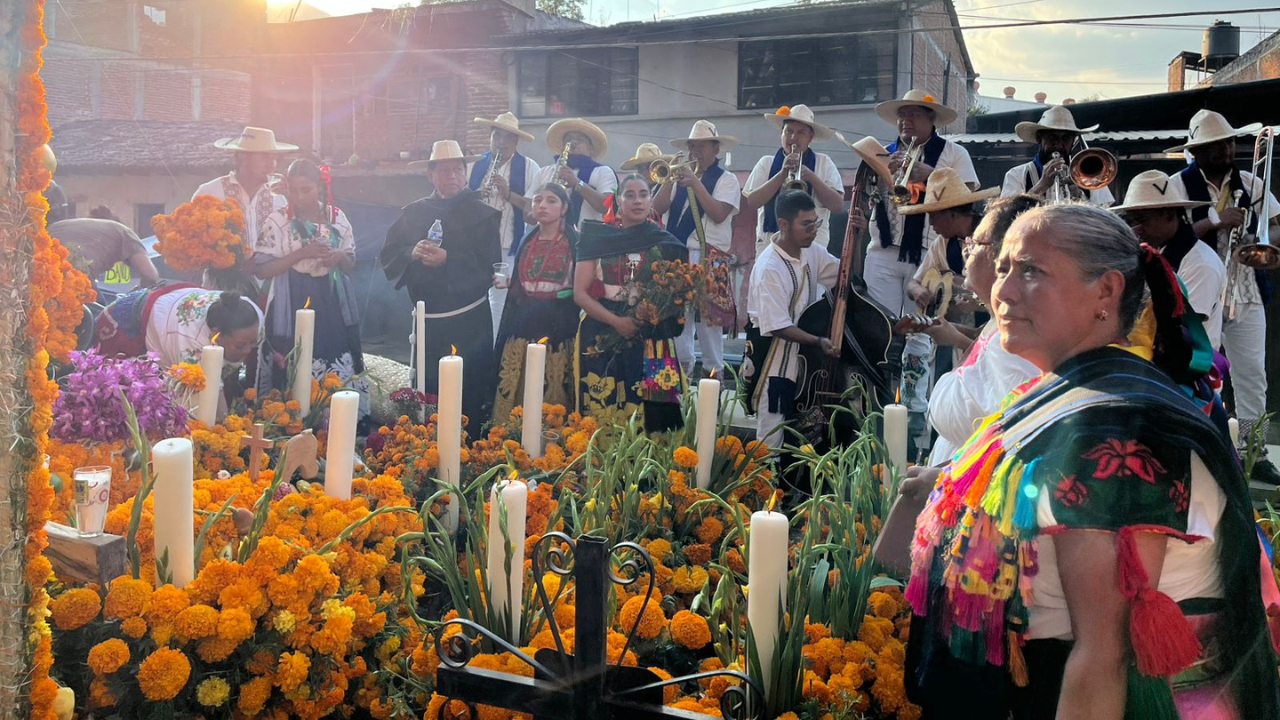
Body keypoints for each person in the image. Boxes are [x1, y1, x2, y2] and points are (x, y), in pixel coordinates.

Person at [905, 204, 1279, 720]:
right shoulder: (1069, 394)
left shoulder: (1118, 428)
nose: (1004, 290)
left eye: (1032, 271)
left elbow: (1104, 655)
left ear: (1106, 292)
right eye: (1006, 265)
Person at [1165, 109, 1279, 482]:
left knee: (1252, 374)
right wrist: (1216, 221)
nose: (1227, 149)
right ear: (1198, 150)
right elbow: (1173, 236)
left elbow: (1276, 229)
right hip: (1200, 289)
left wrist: (1258, 241)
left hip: (1245, 288)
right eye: (1217, 144)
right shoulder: (1177, 186)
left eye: (1229, 142)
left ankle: (1253, 450)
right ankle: (1197, 441)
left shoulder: (1251, 181)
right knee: (1202, 367)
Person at [864, 90, 979, 455]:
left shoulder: (953, 153)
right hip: (884, 248)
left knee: (921, 332)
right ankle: (878, 399)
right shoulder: (884, 150)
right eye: (902, 116)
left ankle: (913, 411)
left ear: (932, 120)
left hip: (928, 249)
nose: (905, 122)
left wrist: (929, 174)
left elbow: (968, 197)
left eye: (913, 116)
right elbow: (872, 198)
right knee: (881, 327)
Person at [911, 194, 1043, 468]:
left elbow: (1007, 443)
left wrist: (942, 477)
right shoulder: (1005, 322)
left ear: (1004, 256)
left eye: (975, 243)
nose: (966, 251)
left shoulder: (1022, 344)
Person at [382, 140, 501, 434]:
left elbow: (491, 266)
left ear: (466, 173)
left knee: (470, 389)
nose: (452, 177)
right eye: (444, 170)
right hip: (430, 321)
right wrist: (413, 252)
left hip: (470, 320)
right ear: (430, 175)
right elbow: (390, 254)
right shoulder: (413, 212)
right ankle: (428, 449)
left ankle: (472, 447)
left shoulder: (482, 213)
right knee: (429, 390)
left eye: (458, 170)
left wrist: (449, 259)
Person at [573, 175, 688, 433]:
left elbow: (676, 296)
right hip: (601, 330)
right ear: (618, 201)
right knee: (604, 405)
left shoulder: (667, 243)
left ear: (651, 200)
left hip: (652, 333)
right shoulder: (596, 238)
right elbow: (580, 293)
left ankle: (653, 468)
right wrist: (618, 322)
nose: (637, 201)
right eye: (630, 195)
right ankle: (604, 468)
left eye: (643, 194)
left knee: (656, 414)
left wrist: (644, 316)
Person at [254, 159, 363, 397]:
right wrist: (301, 254)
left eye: (307, 190)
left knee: (333, 356)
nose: (299, 197)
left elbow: (351, 263)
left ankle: (333, 420)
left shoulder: (337, 217)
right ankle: (289, 419)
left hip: (331, 301)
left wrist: (338, 256)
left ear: (320, 187)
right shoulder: (278, 220)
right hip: (291, 298)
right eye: (293, 190)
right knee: (294, 358)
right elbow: (261, 270)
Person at [746, 190, 840, 448]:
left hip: (804, 365)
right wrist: (819, 340)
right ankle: (765, 487)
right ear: (784, 225)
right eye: (806, 224)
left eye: (815, 223)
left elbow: (843, 277)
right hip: (773, 365)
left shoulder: (813, 252)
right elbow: (778, 326)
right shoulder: (769, 267)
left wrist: (856, 233)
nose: (813, 230)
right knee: (771, 439)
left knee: (802, 437)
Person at [654, 120, 742, 378]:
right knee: (678, 326)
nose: (696, 150)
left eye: (702, 145)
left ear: (716, 148)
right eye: (693, 145)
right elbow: (656, 210)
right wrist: (670, 178)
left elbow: (718, 213)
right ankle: (680, 386)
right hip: (676, 256)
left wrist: (695, 183)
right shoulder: (680, 176)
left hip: (711, 257)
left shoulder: (727, 179)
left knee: (710, 330)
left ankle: (711, 391)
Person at [493, 183, 580, 421]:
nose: (542, 205)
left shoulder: (576, 242)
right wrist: (510, 283)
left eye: (551, 200)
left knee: (555, 389)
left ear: (564, 208)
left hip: (560, 326)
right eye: (537, 200)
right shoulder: (527, 240)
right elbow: (525, 283)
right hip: (525, 323)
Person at [1113, 169, 1225, 348]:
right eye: (1132, 221)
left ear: (1169, 215)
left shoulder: (1201, 264)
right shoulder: (1155, 253)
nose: (1136, 229)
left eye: (1142, 220)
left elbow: (1183, 328)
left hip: (1189, 367)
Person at [898, 168, 999, 360]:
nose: (931, 223)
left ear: (952, 214)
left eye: (934, 216)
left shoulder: (993, 237)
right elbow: (913, 284)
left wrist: (976, 302)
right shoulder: (942, 243)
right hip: (954, 343)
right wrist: (919, 292)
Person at [468, 112, 542, 335]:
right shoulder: (474, 164)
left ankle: (494, 347)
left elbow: (534, 210)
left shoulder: (530, 167)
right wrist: (478, 195)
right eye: (497, 136)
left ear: (516, 141)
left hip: (507, 246)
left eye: (508, 137)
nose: (502, 142)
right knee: (473, 295)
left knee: (498, 299)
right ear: (490, 138)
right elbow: (461, 202)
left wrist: (509, 194)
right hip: (475, 245)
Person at [743, 104, 845, 257]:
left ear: (811, 137)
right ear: (781, 133)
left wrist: (811, 177)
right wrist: (781, 174)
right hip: (770, 245)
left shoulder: (824, 162)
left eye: (801, 133)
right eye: (788, 131)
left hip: (812, 247)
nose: (793, 138)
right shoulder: (766, 162)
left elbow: (837, 206)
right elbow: (752, 202)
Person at [192, 126, 294, 253]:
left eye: (274, 158)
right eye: (265, 157)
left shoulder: (280, 197)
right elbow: (192, 242)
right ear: (243, 158)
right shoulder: (209, 193)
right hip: (222, 273)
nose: (272, 164)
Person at [1002, 105, 1115, 206]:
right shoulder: (1016, 175)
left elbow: (1105, 216)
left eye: (1066, 139)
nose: (1059, 145)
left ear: (1073, 141)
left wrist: (1079, 197)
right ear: (1039, 138)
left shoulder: (1091, 175)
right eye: (1052, 137)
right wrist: (1041, 186)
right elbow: (1007, 216)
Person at [45, 200, 161, 290]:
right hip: (70, 276)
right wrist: (138, 294)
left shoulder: (71, 224)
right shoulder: (125, 232)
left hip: (35, 271)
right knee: (100, 313)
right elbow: (151, 275)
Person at [530, 118, 617, 228]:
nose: (573, 142)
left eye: (581, 139)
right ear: (562, 146)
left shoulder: (603, 171)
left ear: (591, 148)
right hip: (548, 238)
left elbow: (609, 207)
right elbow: (527, 214)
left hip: (587, 240)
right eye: (569, 139)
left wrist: (577, 183)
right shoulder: (544, 172)